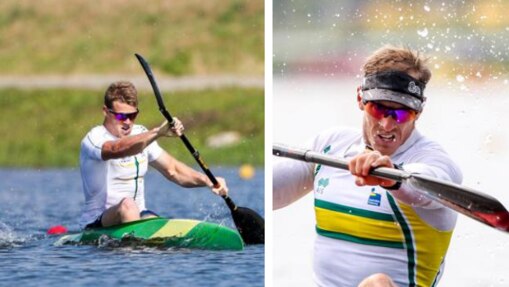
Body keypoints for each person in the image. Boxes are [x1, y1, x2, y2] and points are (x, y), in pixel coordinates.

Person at [273, 46, 462, 286]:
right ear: (360, 98)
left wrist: (391, 178)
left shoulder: (434, 161)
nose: (387, 125)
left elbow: (427, 187)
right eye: (378, 108)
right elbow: (271, 193)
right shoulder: (330, 145)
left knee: (377, 283)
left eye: (402, 114)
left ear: (419, 111)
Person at [79, 81, 228, 229]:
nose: (127, 122)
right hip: (99, 223)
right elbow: (117, 149)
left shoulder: (141, 133)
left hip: (137, 215)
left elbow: (173, 170)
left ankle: (142, 242)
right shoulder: (94, 138)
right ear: (106, 111)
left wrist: (208, 180)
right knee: (128, 205)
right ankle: (135, 243)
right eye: (121, 117)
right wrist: (158, 132)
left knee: (155, 220)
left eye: (132, 115)